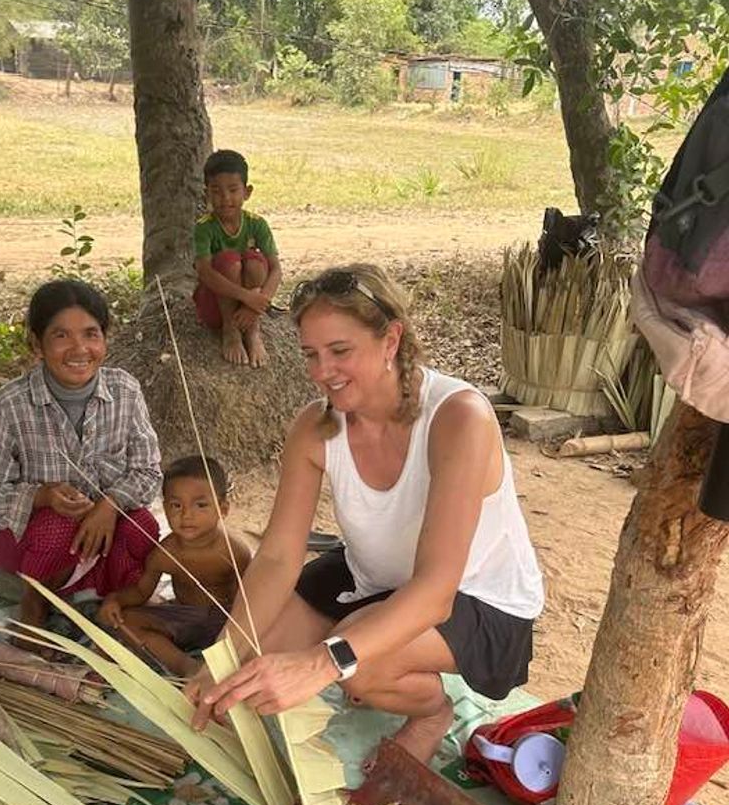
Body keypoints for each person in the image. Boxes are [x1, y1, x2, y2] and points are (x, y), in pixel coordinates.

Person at [188, 266, 544, 765]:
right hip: (374, 575)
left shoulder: (459, 419)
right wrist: (222, 654)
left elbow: (436, 589)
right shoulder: (314, 427)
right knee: (250, 657)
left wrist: (323, 661)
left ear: (391, 339)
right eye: (310, 354)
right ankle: (348, 648)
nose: (321, 371)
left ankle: (431, 713)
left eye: (340, 351)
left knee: (359, 665)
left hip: (479, 599)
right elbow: (276, 558)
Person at [0, 278, 162, 637]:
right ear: (36, 343)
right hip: (34, 546)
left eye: (90, 334)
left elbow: (148, 471)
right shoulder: (7, 406)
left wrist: (110, 506)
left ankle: (109, 595)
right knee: (58, 526)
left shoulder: (125, 390)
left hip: (98, 536)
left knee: (143, 525)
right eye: (61, 336)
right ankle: (36, 604)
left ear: (105, 339)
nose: (79, 349)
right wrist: (40, 497)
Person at [97, 455, 252, 676]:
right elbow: (141, 592)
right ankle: (184, 665)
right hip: (184, 618)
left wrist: (238, 632)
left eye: (200, 505)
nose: (186, 515)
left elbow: (249, 600)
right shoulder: (165, 553)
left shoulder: (235, 550)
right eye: (176, 505)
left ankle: (225, 662)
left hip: (227, 621)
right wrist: (115, 600)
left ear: (223, 509)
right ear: (165, 507)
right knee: (126, 621)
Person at [193, 149, 282, 369]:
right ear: (207, 194)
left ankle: (252, 332)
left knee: (255, 260)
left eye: (233, 190)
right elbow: (204, 272)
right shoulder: (204, 228)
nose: (225, 199)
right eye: (216, 191)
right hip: (215, 308)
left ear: (247, 192)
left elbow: (276, 269)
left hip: (249, 308)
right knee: (228, 260)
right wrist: (247, 296)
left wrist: (258, 305)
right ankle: (230, 332)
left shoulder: (257, 224)